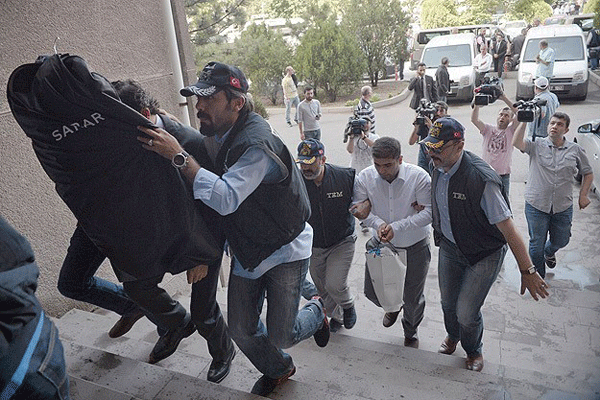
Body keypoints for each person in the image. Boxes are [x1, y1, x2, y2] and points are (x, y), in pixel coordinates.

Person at [137, 61, 329, 397]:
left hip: (284, 250)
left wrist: (179, 157)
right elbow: (195, 140)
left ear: (236, 103)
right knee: (241, 330)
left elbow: (225, 198)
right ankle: (279, 368)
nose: (199, 105)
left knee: (281, 334)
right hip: (248, 249)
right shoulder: (220, 132)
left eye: (208, 99)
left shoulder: (257, 145)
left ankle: (317, 308)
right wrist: (157, 122)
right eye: (197, 98)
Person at [420, 117, 549, 373]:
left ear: (459, 146)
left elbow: (510, 231)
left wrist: (528, 271)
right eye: (429, 147)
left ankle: (473, 349)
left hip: (483, 254)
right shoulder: (438, 166)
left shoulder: (481, 179)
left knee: (466, 311)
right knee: (448, 304)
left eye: (438, 148)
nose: (431, 153)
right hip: (450, 247)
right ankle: (453, 336)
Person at [351, 137, 432, 349]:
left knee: (413, 296)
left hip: (415, 244)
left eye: (387, 165)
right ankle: (392, 307)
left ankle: (410, 328)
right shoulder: (365, 177)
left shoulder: (419, 177)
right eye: (377, 165)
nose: (382, 170)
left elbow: (429, 213)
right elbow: (357, 208)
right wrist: (378, 224)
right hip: (383, 245)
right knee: (379, 289)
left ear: (400, 159)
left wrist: (396, 228)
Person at [513, 112, 594, 278]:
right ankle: (539, 278)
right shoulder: (536, 144)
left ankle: (549, 252)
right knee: (536, 243)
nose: (554, 127)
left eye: (559, 124)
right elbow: (517, 142)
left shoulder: (575, 150)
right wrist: (523, 122)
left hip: (562, 206)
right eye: (552, 123)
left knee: (562, 240)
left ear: (566, 129)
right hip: (536, 205)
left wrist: (583, 195)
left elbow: (588, 172)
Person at [1, 216, 70, 400]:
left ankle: (131, 306)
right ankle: (130, 306)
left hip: (22, 373)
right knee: (71, 284)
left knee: (72, 284)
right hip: (31, 352)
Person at [297, 139, 358, 332]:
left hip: (342, 241)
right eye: (303, 162)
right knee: (321, 287)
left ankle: (348, 306)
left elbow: (367, 196)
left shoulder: (345, 177)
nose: (306, 167)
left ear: (323, 159)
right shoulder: (297, 182)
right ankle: (336, 316)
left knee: (335, 284)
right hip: (314, 245)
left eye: (311, 162)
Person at [470, 91, 519, 198]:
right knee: (484, 201)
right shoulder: (488, 129)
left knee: (504, 202)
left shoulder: (511, 131)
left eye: (506, 116)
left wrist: (504, 98)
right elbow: (474, 120)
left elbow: (520, 114)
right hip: (486, 172)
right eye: (501, 114)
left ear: (511, 119)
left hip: (503, 175)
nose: (502, 117)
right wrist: (477, 105)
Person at [409, 100, 449, 174]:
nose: (438, 113)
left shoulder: (448, 123)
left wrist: (431, 127)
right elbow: (411, 142)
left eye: (441, 111)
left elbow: (443, 141)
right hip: (425, 153)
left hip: (440, 156)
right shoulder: (426, 122)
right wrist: (417, 127)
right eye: (437, 110)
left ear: (446, 112)